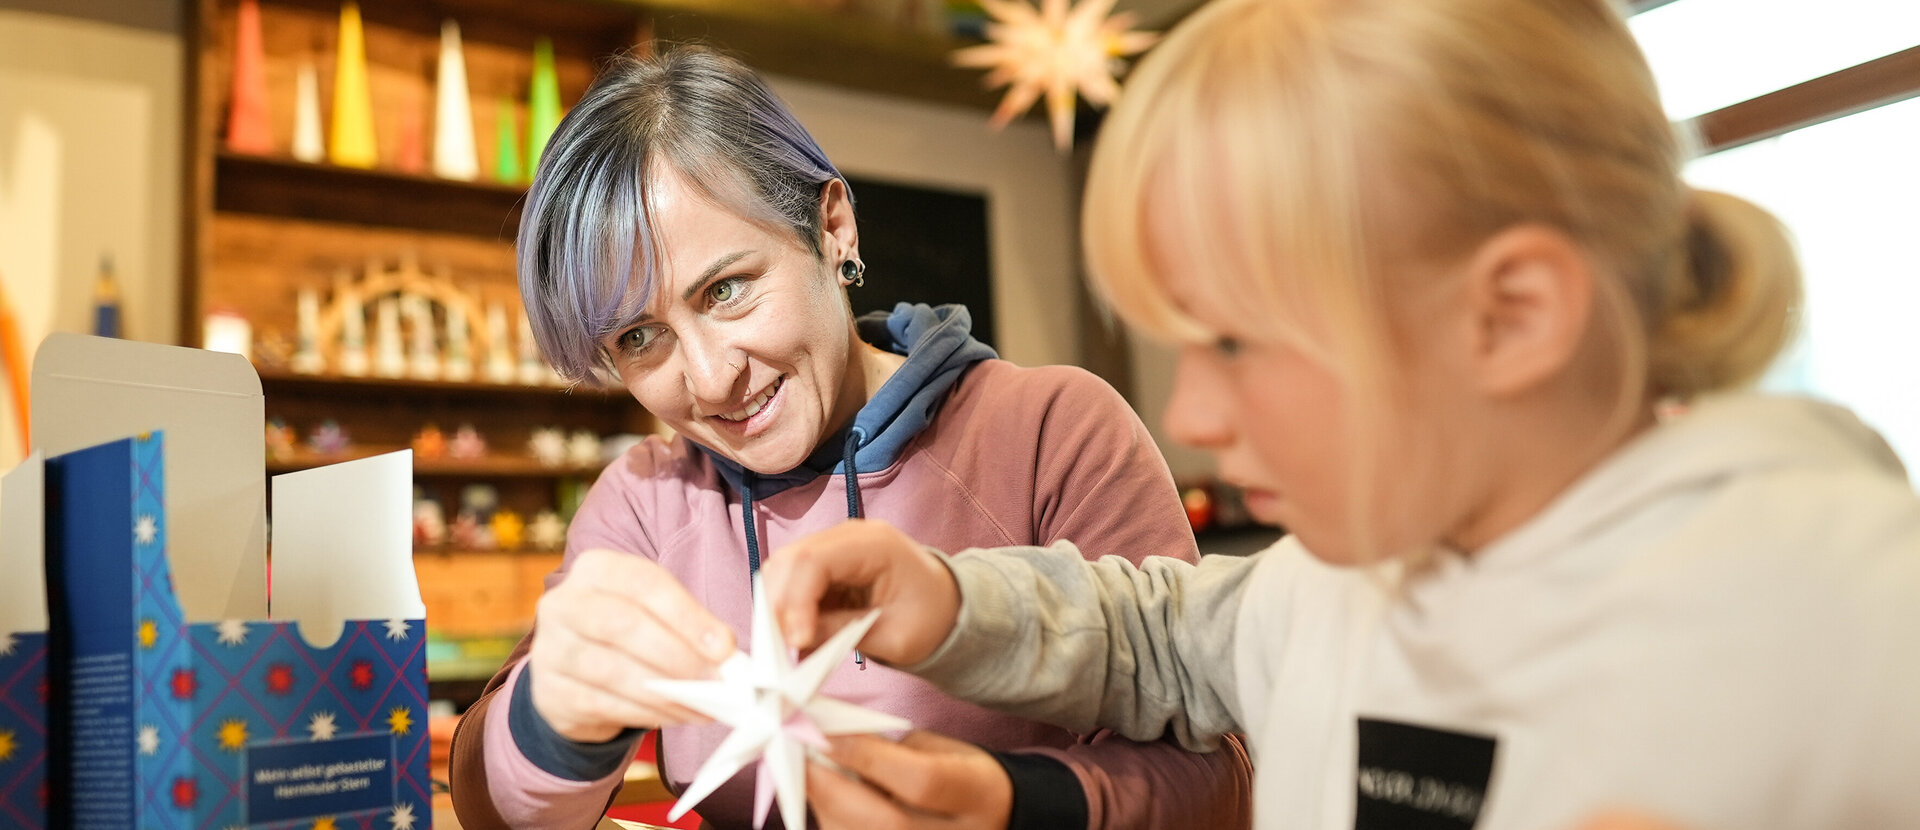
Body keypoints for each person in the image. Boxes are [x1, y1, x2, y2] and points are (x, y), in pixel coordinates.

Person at [762, 0, 1920, 828]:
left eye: (1235, 342)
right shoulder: (1329, 575)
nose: (1199, 411)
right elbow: (1164, 632)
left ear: (1512, 315)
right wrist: (952, 595)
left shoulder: (1856, 623)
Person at [446, 46, 1254, 830]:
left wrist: (1010, 803)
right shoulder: (647, 505)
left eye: (726, 289)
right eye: (637, 338)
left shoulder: (1051, 431)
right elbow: (489, 808)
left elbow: (1219, 775)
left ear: (834, 228)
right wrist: (554, 715)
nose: (708, 378)